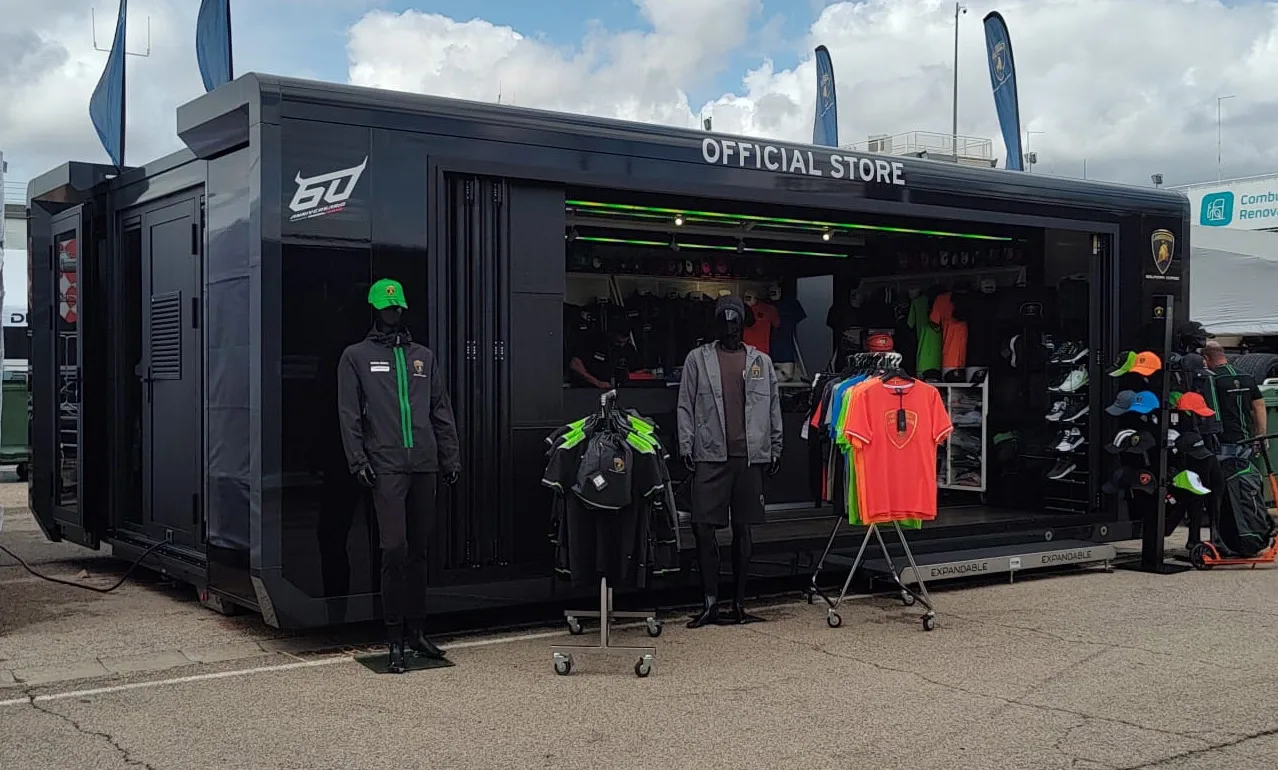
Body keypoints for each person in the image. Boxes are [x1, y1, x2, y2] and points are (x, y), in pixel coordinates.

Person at [337, 278, 461, 674]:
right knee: (394, 549)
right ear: (375, 309)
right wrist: (357, 460)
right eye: (388, 308)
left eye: (399, 308)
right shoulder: (355, 357)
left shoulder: (423, 356)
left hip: (424, 463)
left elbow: (440, 408)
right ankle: (392, 638)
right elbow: (349, 414)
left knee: (420, 552)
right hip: (386, 466)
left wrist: (450, 457)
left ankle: (417, 632)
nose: (395, 313)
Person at [1202, 341, 1268, 459]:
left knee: (1226, 475)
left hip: (1223, 441)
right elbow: (1259, 406)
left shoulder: (1211, 379)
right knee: (1247, 475)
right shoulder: (1247, 376)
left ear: (1206, 358)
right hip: (1247, 439)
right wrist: (1261, 435)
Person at [568, 313, 639, 389]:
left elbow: (635, 371)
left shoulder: (628, 349)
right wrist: (597, 383)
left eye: (624, 342)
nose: (621, 345)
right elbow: (574, 365)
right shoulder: (593, 342)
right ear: (611, 334)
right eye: (618, 342)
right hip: (590, 389)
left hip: (620, 391)